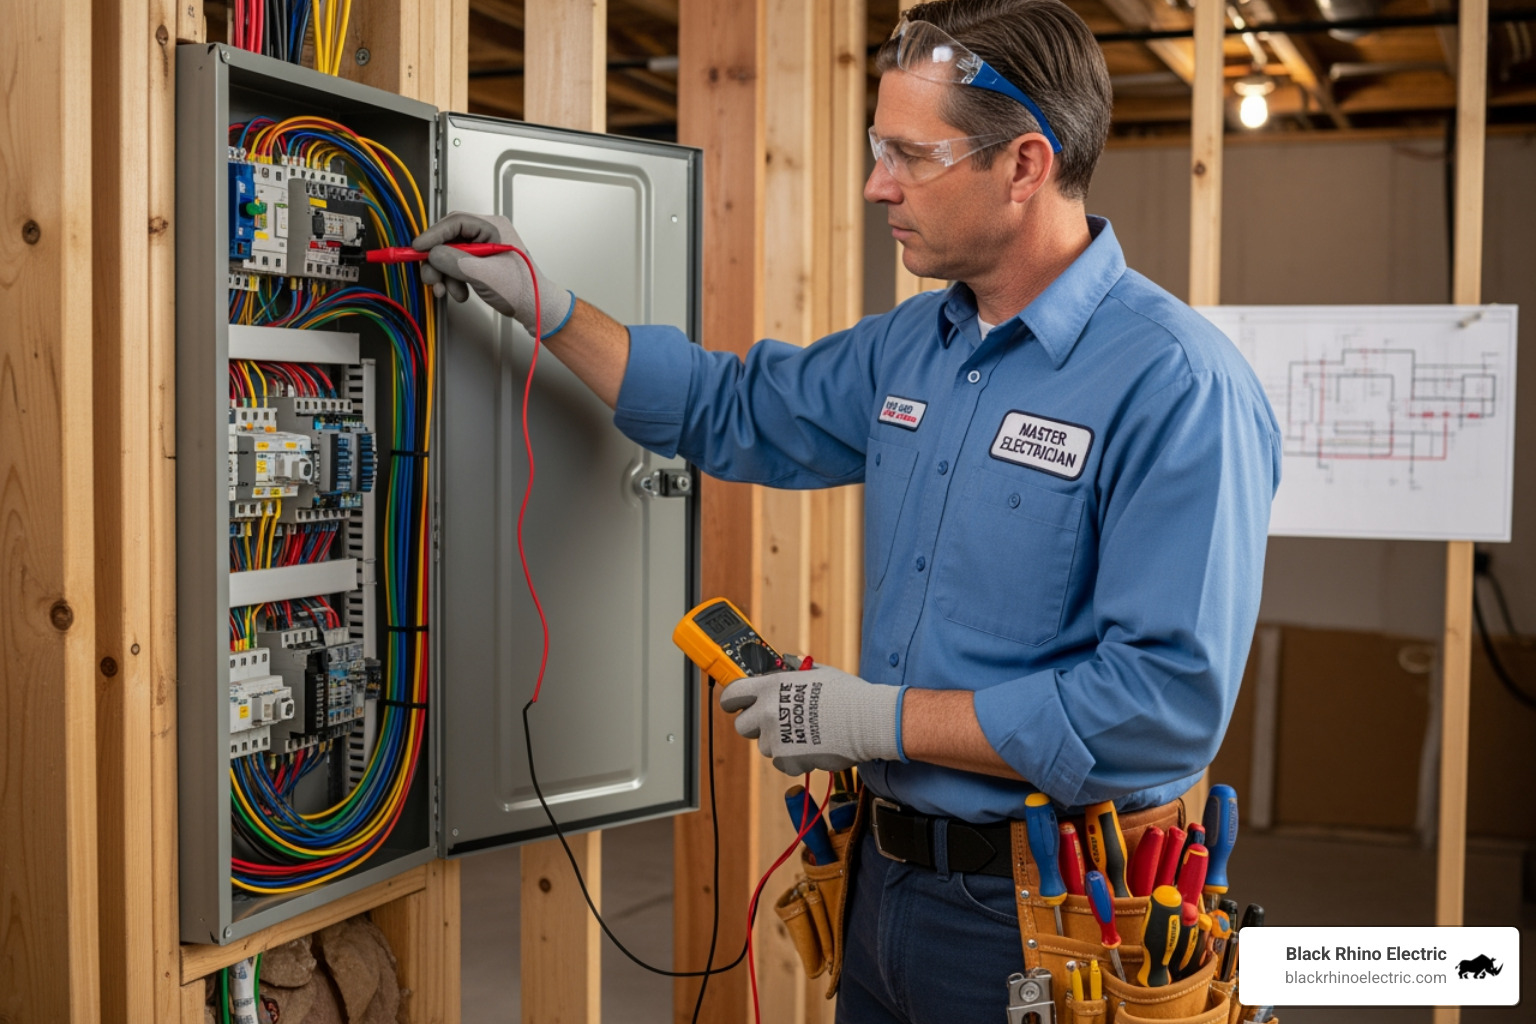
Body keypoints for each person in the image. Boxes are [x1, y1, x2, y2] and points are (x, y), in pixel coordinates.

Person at [413, 0, 1280, 1018]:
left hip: (1052, 915)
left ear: (1025, 165)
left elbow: (1159, 702)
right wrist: (545, 304)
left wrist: (874, 718)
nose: (878, 186)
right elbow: (728, 406)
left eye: (912, 156)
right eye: (878, 149)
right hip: (878, 884)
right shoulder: (913, 346)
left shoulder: (1176, 385)